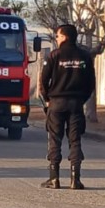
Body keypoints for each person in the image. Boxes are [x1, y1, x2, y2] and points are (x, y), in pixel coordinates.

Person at [38, 24, 95, 190]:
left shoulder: (54, 55)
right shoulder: (85, 56)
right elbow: (91, 83)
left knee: (54, 139)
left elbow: (43, 80)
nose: (57, 39)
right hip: (76, 103)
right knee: (75, 140)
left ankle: (54, 178)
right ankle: (75, 180)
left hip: (56, 103)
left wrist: (47, 99)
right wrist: (82, 99)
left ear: (64, 37)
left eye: (58, 36)